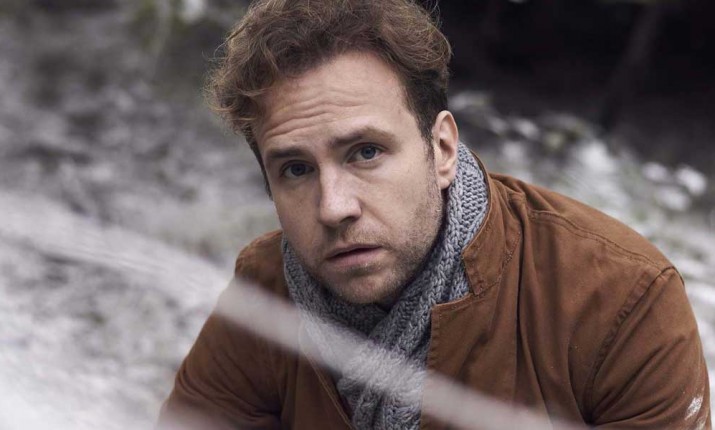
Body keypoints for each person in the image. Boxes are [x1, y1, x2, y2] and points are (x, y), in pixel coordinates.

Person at [158, 0, 711, 428]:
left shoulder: (622, 301)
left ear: (442, 148)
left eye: (366, 152)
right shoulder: (264, 291)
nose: (334, 207)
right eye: (296, 170)